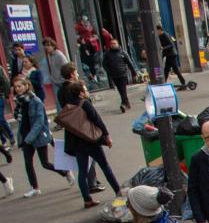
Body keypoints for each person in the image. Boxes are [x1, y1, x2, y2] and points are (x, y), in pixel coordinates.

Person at [60, 79, 121, 208]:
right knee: (105, 166)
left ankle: (87, 199)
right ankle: (118, 192)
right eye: (85, 89)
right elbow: (97, 119)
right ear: (80, 93)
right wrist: (106, 135)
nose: (87, 91)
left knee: (82, 172)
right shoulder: (85, 103)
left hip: (77, 143)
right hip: (90, 140)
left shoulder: (68, 106)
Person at [11, 76, 57, 196]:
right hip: (25, 135)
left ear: (26, 86)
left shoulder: (36, 101)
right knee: (28, 163)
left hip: (37, 135)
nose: (17, 89)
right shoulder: (19, 101)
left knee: (45, 163)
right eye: (15, 87)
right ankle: (35, 188)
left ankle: (65, 172)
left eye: (20, 86)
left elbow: (39, 121)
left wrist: (30, 137)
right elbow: (19, 118)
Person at [100, 36, 135, 112]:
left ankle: (123, 104)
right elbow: (104, 64)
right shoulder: (107, 54)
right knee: (121, 90)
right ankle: (127, 103)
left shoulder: (123, 53)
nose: (112, 45)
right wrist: (109, 72)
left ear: (118, 44)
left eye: (114, 43)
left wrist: (134, 73)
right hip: (114, 75)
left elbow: (129, 63)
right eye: (111, 44)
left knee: (122, 89)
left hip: (123, 74)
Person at [39, 38, 70, 106]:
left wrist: (66, 79)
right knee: (58, 101)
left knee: (67, 100)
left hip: (63, 81)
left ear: (53, 46)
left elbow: (67, 68)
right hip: (54, 81)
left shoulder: (59, 55)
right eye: (45, 46)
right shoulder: (48, 56)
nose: (46, 47)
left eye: (48, 45)